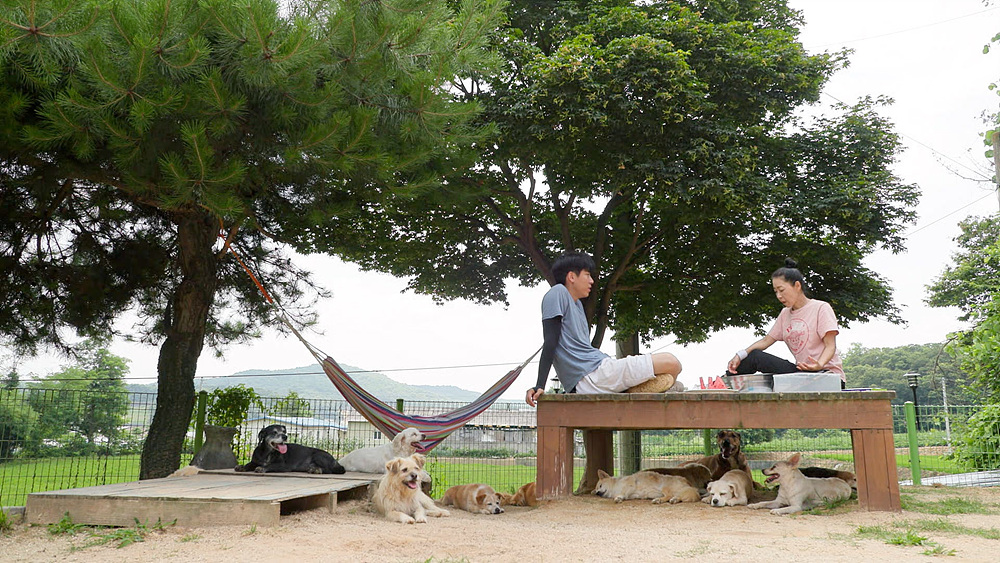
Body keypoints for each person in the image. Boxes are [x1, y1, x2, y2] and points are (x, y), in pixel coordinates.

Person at [525, 251, 682, 407]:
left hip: (598, 371)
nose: (592, 281)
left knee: (672, 379)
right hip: (590, 376)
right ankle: (630, 390)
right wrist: (540, 385)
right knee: (672, 363)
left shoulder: (577, 305)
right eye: (587, 275)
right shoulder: (557, 292)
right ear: (571, 277)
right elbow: (550, 341)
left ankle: (629, 390)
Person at [726, 258, 844, 384]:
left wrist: (819, 364)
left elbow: (830, 346)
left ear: (797, 286)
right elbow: (766, 341)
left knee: (759, 361)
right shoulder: (785, 313)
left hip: (826, 376)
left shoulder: (821, 308)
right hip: (802, 375)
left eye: (781, 290)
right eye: (775, 292)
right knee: (753, 357)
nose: (779, 296)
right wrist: (740, 355)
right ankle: (724, 384)